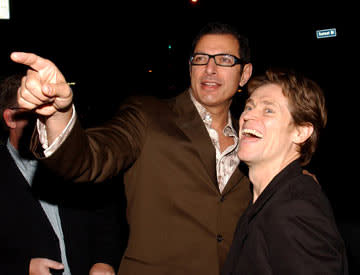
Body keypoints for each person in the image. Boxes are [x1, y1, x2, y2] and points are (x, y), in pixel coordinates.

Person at [11, 22, 253, 274]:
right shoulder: (148, 115)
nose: (210, 69)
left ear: (244, 74)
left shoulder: (253, 138)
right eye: (201, 59)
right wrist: (57, 116)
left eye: (225, 59)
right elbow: (92, 156)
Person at [221, 69, 348, 275]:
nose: (248, 115)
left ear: (300, 132)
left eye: (268, 110)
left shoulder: (296, 210)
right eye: (249, 106)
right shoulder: (265, 201)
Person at [0, 74, 122, 275]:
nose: (49, 117)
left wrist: (104, 260)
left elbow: (105, 217)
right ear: (11, 118)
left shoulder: (73, 159)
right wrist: (24, 268)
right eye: (37, 110)